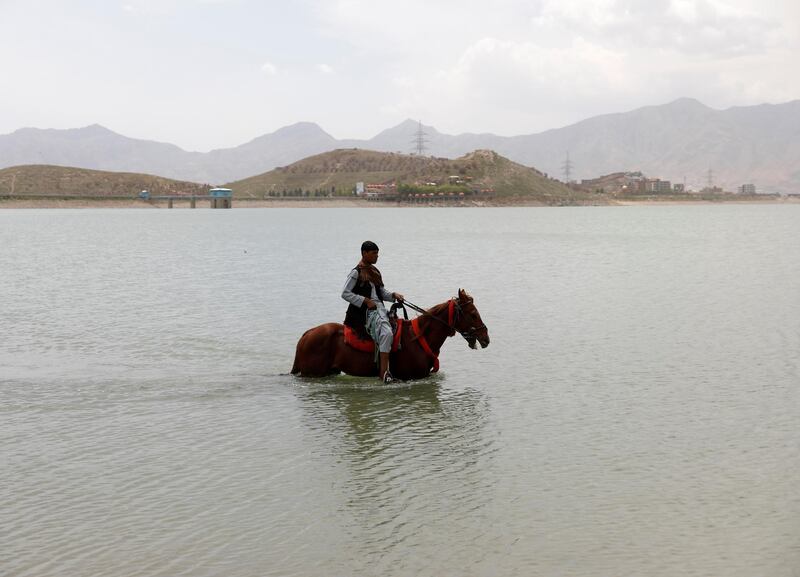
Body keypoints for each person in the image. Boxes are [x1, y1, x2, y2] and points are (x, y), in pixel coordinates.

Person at [342, 240, 404, 383]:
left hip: (380, 309)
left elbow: (381, 292)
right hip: (365, 313)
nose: (377, 256)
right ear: (364, 253)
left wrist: (394, 295)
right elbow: (345, 293)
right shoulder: (355, 273)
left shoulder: (374, 271)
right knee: (387, 333)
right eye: (374, 253)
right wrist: (365, 300)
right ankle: (383, 373)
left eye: (378, 253)